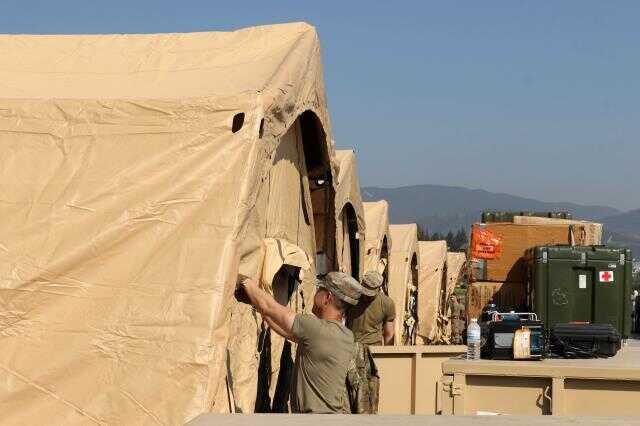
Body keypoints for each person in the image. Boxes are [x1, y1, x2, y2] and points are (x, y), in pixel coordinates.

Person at [235, 271, 362, 414]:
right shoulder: (345, 336)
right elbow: (284, 329)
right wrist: (257, 304)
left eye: (319, 289)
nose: (315, 293)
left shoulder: (315, 328)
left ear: (327, 297)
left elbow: (271, 307)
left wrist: (243, 279)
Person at [347, 271, 395, 346]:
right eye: (365, 293)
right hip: (352, 346)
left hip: (375, 349)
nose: (366, 297)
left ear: (379, 289)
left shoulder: (387, 303)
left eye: (370, 295)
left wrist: (388, 355)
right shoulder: (351, 297)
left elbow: (389, 334)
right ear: (361, 284)